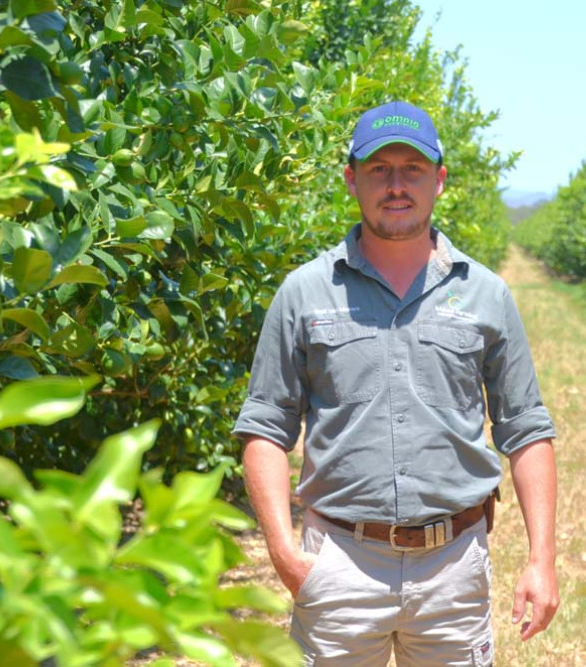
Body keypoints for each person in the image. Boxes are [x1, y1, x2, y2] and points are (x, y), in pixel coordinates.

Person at [233, 100, 558, 666]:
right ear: (352, 180)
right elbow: (264, 428)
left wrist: (542, 558)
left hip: (453, 567)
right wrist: (286, 554)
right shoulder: (305, 293)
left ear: (439, 180)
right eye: (380, 170)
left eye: (412, 169)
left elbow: (526, 430)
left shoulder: (485, 294)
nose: (396, 185)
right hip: (338, 563)